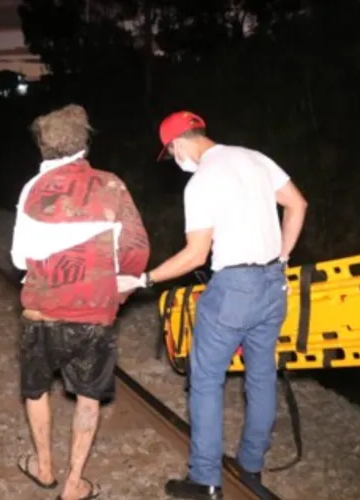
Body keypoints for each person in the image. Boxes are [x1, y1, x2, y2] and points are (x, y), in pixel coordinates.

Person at [118, 111, 307, 499]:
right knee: (260, 376)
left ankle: (205, 480)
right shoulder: (254, 157)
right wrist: (283, 258)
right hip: (273, 284)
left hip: (234, 289)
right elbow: (297, 204)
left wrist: (143, 280)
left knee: (205, 381)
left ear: (177, 144)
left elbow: (194, 256)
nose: (176, 162)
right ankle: (250, 467)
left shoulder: (202, 181)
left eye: (172, 153)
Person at [10, 103, 150, 500]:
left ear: (44, 147)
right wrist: (118, 288)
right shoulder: (112, 186)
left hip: (41, 311)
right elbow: (137, 248)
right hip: (93, 313)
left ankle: (44, 468)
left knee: (36, 389)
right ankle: (74, 485)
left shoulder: (33, 189)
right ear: (85, 143)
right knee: (88, 396)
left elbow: (19, 258)